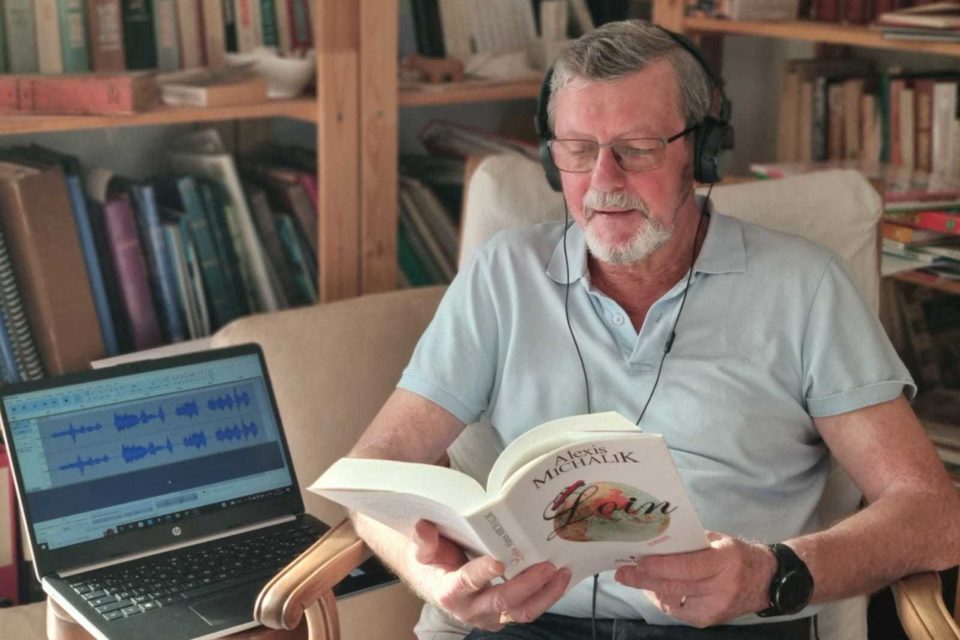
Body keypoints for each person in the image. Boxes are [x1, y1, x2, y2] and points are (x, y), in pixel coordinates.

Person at [347, 19, 960, 639]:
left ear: (702, 149)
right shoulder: (503, 276)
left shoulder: (805, 288)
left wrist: (771, 574)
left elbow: (933, 513)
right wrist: (435, 583)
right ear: (548, 156)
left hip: (734, 622)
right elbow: (372, 469)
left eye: (637, 150)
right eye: (579, 151)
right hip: (528, 623)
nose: (604, 182)